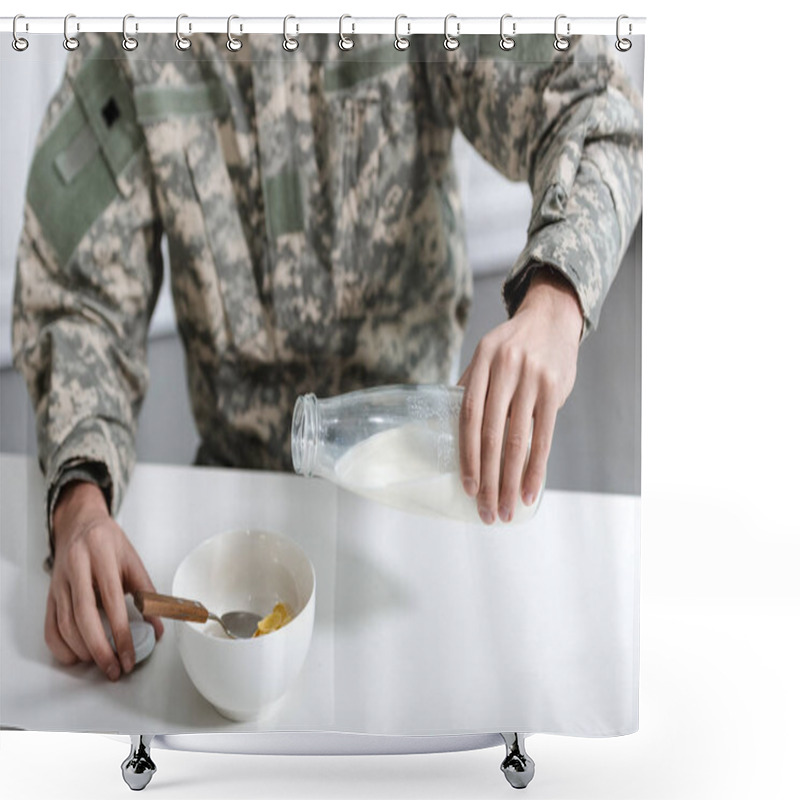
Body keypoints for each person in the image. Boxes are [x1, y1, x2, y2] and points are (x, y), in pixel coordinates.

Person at [12, 32, 642, 681]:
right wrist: (79, 504)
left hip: (426, 483)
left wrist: (555, 299)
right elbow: (76, 297)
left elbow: (597, 111)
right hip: (240, 500)